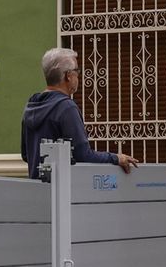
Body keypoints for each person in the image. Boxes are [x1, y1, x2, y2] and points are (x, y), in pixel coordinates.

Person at [21, 48, 138, 180]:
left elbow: (26, 155)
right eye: (77, 71)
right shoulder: (66, 107)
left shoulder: (31, 106)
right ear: (68, 76)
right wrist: (116, 158)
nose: (78, 75)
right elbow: (82, 155)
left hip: (36, 190)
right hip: (62, 192)